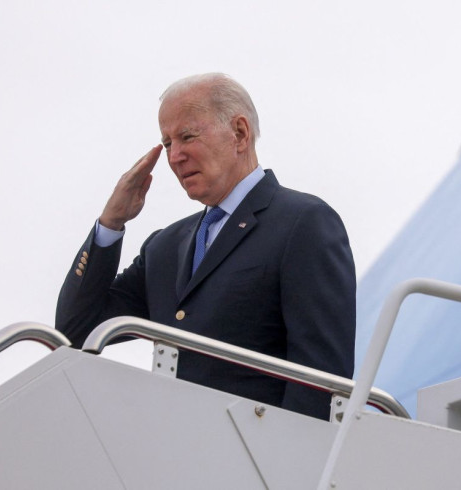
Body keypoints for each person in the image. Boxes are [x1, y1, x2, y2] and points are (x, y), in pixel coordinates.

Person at [56, 73, 356, 420]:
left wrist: (286, 463)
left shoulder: (302, 222)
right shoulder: (165, 247)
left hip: (258, 457)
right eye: (167, 143)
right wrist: (110, 224)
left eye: (187, 136)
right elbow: (75, 331)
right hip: (173, 452)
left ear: (240, 134)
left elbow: (320, 380)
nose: (175, 156)